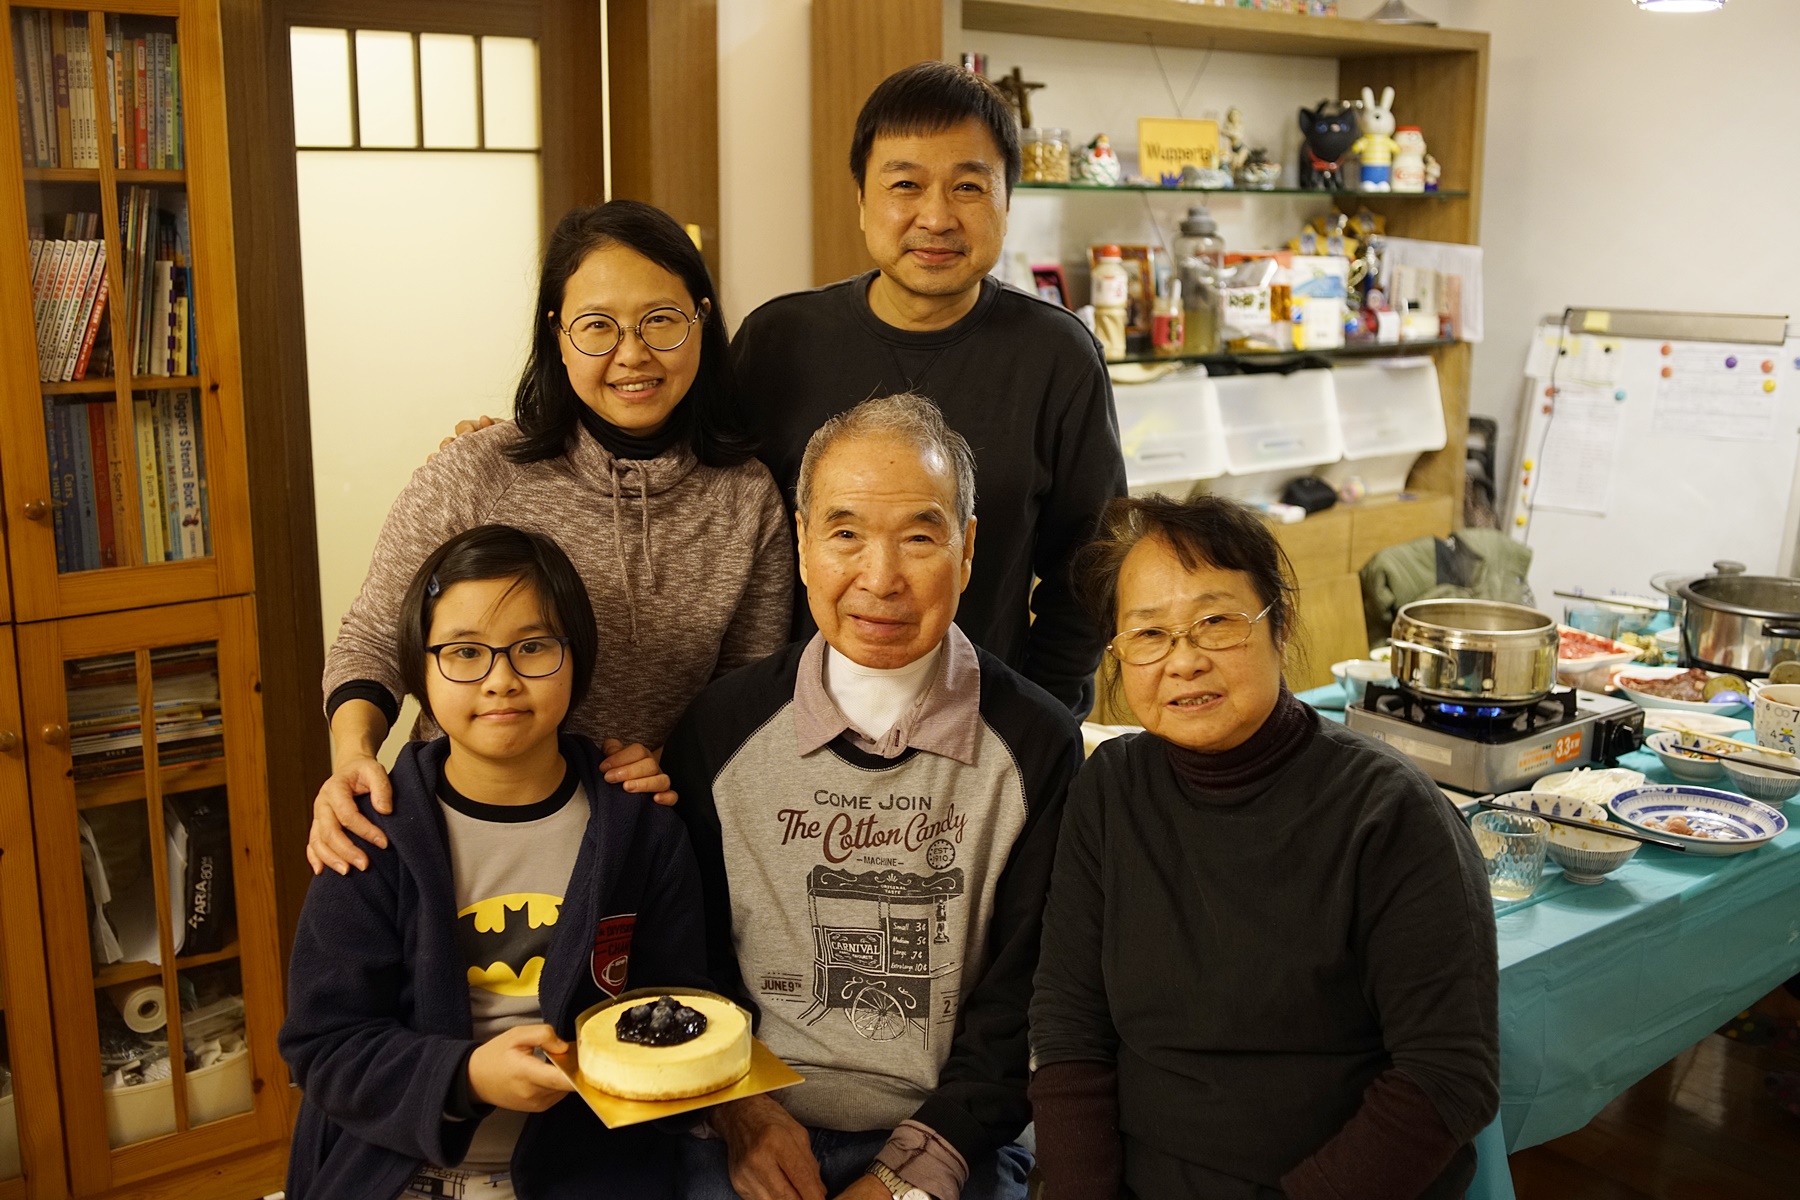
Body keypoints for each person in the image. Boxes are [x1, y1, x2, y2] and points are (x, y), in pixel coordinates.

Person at [661, 394, 1083, 1200]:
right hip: (748, 1120)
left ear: (966, 550)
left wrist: (909, 1173)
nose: (880, 579)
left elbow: (1025, 1001)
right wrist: (743, 1111)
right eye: (846, 534)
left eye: (919, 537)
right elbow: (685, 961)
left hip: (954, 1134)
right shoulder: (721, 728)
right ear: (802, 544)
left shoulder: (1037, 745)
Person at [1029, 495, 1500, 1200]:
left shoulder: (1389, 813)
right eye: (1149, 634)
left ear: (1279, 627)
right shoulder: (1109, 791)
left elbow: (1448, 1076)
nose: (1184, 661)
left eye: (1215, 623)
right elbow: (1070, 1029)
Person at [308, 199, 793, 875]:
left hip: (641, 834)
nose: (632, 354)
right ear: (557, 335)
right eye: (597, 326)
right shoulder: (476, 472)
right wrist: (353, 753)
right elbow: (373, 639)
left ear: (702, 322)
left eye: (661, 320)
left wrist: (668, 760)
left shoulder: (748, 497)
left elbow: (745, 690)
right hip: (462, 826)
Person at [281, 524, 710, 1200]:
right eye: (464, 653)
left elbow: (682, 1008)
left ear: (577, 657)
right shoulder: (368, 831)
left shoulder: (642, 831)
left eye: (533, 647)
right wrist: (468, 1078)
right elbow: (324, 1045)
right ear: (420, 670)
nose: (501, 680)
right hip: (401, 1170)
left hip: (586, 1175)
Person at [727, 61, 1125, 717]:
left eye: (968, 186)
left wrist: (1038, 718)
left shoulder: (1057, 355)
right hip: (794, 723)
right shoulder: (777, 341)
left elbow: (1088, 570)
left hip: (981, 726)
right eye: (905, 184)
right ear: (861, 199)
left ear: (1006, 202)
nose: (936, 217)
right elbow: (712, 526)